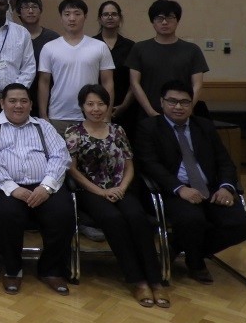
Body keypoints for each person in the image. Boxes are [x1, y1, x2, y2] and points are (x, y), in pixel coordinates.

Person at [134, 81, 246, 284]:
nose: (178, 107)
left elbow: (225, 161)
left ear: (192, 104)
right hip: (174, 191)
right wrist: (179, 188)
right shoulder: (149, 127)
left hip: (211, 189)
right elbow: (150, 165)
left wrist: (226, 187)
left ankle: (178, 245)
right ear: (161, 102)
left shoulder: (204, 126)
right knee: (192, 220)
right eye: (172, 101)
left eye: (184, 102)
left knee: (242, 225)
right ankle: (196, 263)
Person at [65, 84, 169, 307]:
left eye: (101, 104)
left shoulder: (117, 130)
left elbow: (129, 164)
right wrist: (101, 191)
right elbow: (72, 170)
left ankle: (155, 280)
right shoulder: (73, 132)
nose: (96, 109)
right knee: (113, 219)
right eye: (90, 104)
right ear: (82, 107)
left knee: (137, 217)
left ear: (108, 106)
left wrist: (122, 187)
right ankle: (138, 281)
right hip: (90, 191)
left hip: (120, 188)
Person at [0, 83, 74, 296]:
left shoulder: (43, 126)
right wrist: (13, 188)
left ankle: (50, 269)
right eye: (12, 101)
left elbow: (61, 156)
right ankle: (13, 269)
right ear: (2, 103)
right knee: (6, 215)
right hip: (5, 186)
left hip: (44, 185)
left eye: (23, 101)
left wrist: (46, 186)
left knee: (63, 213)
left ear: (30, 104)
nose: (18, 105)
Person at [37, 0, 115, 133]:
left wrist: (107, 115)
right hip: (58, 116)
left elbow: (108, 82)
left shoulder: (99, 47)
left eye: (77, 14)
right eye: (67, 14)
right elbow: (44, 83)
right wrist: (43, 116)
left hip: (92, 115)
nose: (72, 18)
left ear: (85, 17)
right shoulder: (49, 48)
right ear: (61, 18)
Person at [126, 0, 209, 120]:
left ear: (177, 21)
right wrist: (151, 112)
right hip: (148, 116)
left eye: (170, 17)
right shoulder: (139, 48)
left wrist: (186, 108)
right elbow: (134, 83)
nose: (164, 22)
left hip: (182, 116)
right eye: (159, 18)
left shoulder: (192, 50)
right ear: (152, 21)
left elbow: (197, 84)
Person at [93, 0, 136, 127]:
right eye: (106, 14)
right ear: (100, 19)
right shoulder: (90, 44)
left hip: (126, 108)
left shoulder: (131, 46)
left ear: (120, 18)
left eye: (114, 14)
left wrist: (124, 105)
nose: (110, 17)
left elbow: (134, 81)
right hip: (94, 108)